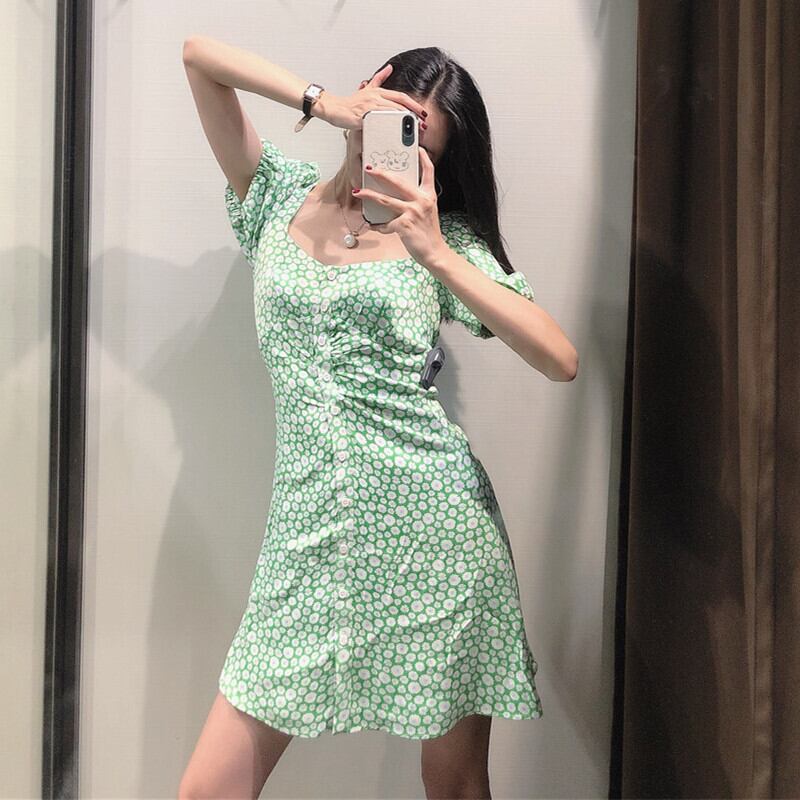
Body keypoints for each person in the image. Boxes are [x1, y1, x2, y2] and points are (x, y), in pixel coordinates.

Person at [179, 35, 578, 800]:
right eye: (392, 116)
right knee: (208, 790)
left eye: (418, 141)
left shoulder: (441, 241)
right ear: (371, 90)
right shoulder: (275, 196)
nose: (390, 144)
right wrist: (322, 101)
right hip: (304, 542)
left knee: (453, 787)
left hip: (436, 540)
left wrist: (437, 254)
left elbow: (559, 358)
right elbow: (199, 58)